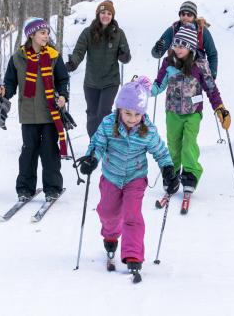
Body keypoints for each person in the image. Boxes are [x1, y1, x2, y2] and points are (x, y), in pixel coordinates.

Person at [76, 76, 179, 277]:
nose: (132, 119)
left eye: (137, 114)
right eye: (127, 113)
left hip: (135, 178)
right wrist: (92, 159)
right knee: (107, 213)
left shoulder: (147, 130)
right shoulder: (107, 124)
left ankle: (133, 255)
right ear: (119, 110)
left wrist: (168, 169)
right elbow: (98, 144)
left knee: (132, 215)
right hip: (111, 176)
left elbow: (160, 151)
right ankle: (111, 236)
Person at [0, 17, 69, 202]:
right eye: (42, 33)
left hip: (50, 112)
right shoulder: (18, 58)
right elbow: (10, 84)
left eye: (47, 33)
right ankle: (25, 189)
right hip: (28, 113)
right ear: (32, 35)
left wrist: (62, 96)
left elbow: (62, 80)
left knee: (50, 151)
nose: (46, 36)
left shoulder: (53, 56)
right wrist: (4, 91)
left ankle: (52, 188)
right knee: (29, 151)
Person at [150, 26, 231, 195]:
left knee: (188, 143)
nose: (177, 49)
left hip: (193, 112)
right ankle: (172, 174)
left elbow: (211, 88)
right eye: (176, 45)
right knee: (173, 145)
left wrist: (220, 108)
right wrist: (143, 91)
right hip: (172, 111)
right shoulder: (168, 62)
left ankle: (190, 175)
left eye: (182, 46)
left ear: (191, 47)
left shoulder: (200, 65)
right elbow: (158, 85)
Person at [65, 0, 131, 137]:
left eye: (109, 13)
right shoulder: (88, 32)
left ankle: (105, 142)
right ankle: (94, 144)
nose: (105, 16)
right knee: (92, 113)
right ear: (98, 14)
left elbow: (126, 56)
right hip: (91, 82)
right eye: (103, 13)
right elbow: (79, 52)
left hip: (110, 81)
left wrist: (124, 55)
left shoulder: (118, 33)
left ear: (112, 16)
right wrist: (73, 63)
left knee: (104, 113)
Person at [151, 0, 218, 78]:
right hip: (175, 75)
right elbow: (156, 54)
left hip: (196, 76)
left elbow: (212, 54)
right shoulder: (172, 30)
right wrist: (157, 48)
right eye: (183, 14)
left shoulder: (202, 32)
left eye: (189, 14)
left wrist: (212, 74)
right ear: (180, 16)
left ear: (194, 17)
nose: (185, 17)